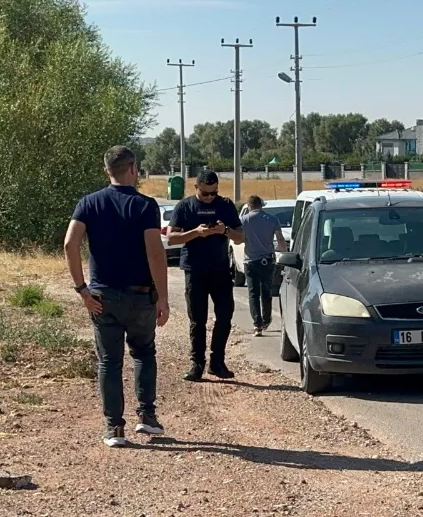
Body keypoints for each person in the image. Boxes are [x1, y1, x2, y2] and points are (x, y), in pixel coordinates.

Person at [63, 145, 170, 448]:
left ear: (107, 170)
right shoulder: (146, 205)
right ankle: (147, 417)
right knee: (144, 354)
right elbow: (154, 251)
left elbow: (70, 244)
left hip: (101, 297)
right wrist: (163, 297)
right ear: (133, 169)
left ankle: (114, 428)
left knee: (109, 362)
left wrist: (81, 289)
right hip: (140, 296)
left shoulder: (89, 203)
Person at [166, 169, 244, 381]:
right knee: (197, 319)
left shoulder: (225, 205)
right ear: (196, 188)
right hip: (195, 269)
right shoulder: (185, 206)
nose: (210, 198)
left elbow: (241, 237)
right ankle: (196, 363)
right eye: (205, 194)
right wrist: (195, 233)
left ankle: (217, 361)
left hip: (220, 270)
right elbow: (171, 238)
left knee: (225, 316)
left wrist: (224, 231)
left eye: (213, 193)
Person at [240, 195, 288, 336]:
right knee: (266, 291)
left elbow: (239, 239)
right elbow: (280, 238)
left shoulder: (244, 220)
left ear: (249, 206)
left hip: (250, 261)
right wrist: (284, 255)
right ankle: (266, 319)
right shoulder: (272, 219)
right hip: (267, 260)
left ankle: (257, 325)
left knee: (253, 293)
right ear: (261, 205)